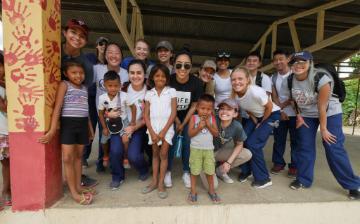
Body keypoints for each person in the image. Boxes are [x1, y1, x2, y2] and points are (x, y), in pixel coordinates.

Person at [284, 51, 360, 199]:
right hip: (306, 114)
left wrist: (323, 129)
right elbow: (294, 100)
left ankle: (353, 184)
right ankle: (303, 179)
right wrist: (298, 116)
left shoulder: (321, 78)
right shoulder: (290, 79)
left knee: (333, 146)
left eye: (302, 61)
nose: (298, 65)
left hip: (329, 111)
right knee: (304, 146)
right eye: (294, 62)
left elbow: (322, 107)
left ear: (310, 62)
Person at [38, 59, 95, 205]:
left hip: (82, 125)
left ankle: (77, 186)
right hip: (68, 125)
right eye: (74, 72)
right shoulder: (64, 85)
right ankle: (73, 193)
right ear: (66, 73)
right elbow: (57, 107)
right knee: (68, 158)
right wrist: (51, 130)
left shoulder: (84, 88)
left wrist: (90, 128)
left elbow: (86, 110)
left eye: (81, 73)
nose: (78, 75)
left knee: (78, 157)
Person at [61, 18, 97, 188]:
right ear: (64, 32)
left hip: (74, 111)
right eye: (73, 32)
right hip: (49, 106)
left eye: (82, 35)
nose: (77, 37)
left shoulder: (87, 66)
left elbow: (84, 96)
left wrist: (89, 123)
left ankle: (76, 180)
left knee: (76, 151)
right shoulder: (52, 51)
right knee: (65, 153)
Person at [231, 66, 281, 188]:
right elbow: (249, 110)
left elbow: (269, 107)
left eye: (240, 78)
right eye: (233, 79)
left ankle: (263, 178)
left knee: (253, 144)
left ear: (248, 79)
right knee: (242, 140)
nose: (237, 82)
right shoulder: (236, 96)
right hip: (257, 117)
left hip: (272, 116)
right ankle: (247, 170)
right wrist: (255, 121)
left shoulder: (255, 91)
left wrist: (261, 123)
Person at [167, 48, 204, 188]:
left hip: (189, 117)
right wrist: (177, 122)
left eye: (186, 65)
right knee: (170, 139)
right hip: (171, 116)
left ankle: (186, 171)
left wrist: (183, 124)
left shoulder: (197, 83)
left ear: (191, 66)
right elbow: (168, 105)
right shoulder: (169, 80)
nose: (182, 68)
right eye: (179, 65)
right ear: (174, 64)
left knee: (189, 142)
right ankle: (167, 171)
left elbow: (194, 106)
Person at [93, 42, 130, 171]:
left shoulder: (126, 73)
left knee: (119, 140)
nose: (113, 55)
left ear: (121, 56)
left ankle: (118, 162)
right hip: (103, 112)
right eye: (110, 52)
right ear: (105, 54)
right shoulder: (97, 69)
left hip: (121, 114)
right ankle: (102, 161)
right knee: (104, 137)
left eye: (117, 52)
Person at [142, 64, 177, 199]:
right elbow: (146, 115)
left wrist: (163, 132)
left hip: (166, 129)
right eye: (157, 76)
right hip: (153, 128)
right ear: (152, 77)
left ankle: (161, 183)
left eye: (163, 76)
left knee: (163, 155)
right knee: (155, 155)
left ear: (167, 78)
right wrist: (151, 131)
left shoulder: (171, 91)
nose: (160, 78)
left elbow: (173, 113)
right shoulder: (149, 94)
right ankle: (154, 182)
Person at [98, 71, 136, 171]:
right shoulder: (102, 98)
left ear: (120, 85)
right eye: (110, 85)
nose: (113, 88)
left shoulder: (124, 96)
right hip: (109, 123)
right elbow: (101, 113)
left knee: (126, 140)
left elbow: (133, 107)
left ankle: (126, 157)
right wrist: (104, 128)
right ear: (104, 85)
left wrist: (132, 121)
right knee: (103, 140)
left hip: (123, 121)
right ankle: (105, 155)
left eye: (116, 85)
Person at [187, 94, 220, 204]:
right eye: (203, 108)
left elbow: (216, 134)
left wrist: (208, 125)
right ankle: (193, 191)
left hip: (208, 150)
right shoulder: (193, 118)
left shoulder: (212, 119)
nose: (205, 111)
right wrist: (199, 127)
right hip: (195, 149)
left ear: (212, 110)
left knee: (210, 171)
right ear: (197, 108)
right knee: (194, 171)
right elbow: (190, 134)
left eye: (209, 109)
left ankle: (211, 190)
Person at [270, 49, 297, 178]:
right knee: (278, 139)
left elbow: (295, 95)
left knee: (295, 140)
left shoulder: (296, 73)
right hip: (279, 114)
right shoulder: (273, 77)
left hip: (296, 113)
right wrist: (280, 110)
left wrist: (282, 106)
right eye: (275, 60)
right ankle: (278, 163)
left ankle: (294, 166)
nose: (278, 62)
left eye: (281, 59)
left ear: (288, 59)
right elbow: (274, 97)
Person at [83, 36, 109, 169]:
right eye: (100, 43)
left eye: (105, 44)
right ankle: (84, 156)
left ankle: (101, 161)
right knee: (91, 128)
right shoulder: (90, 58)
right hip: (91, 98)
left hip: (105, 101)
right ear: (96, 46)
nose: (103, 46)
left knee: (104, 130)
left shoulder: (110, 63)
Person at [213, 99, 252, 184]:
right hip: (204, 154)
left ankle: (220, 171)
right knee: (213, 186)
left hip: (217, 152)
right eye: (222, 108)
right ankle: (207, 167)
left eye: (229, 109)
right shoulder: (212, 120)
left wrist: (228, 163)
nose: (224, 111)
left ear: (235, 114)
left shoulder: (237, 126)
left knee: (247, 154)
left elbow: (239, 144)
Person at [0, 53, 11, 208]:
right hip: (1, 131)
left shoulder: (8, 83)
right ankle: (5, 191)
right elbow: (5, 107)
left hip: (8, 130)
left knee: (8, 163)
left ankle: (8, 190)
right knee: (6, 163)